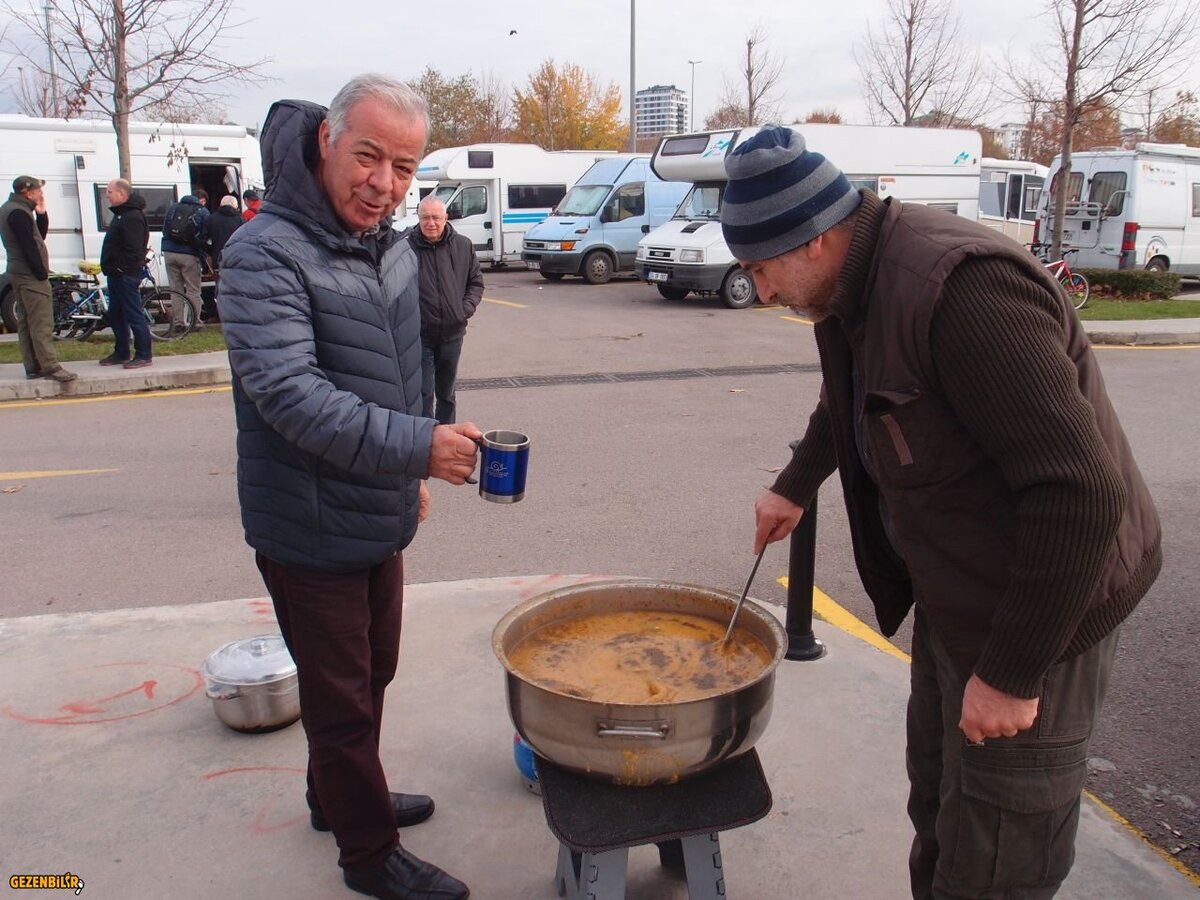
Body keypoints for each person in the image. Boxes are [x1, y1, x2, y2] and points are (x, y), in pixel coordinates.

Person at [721, 126, 1162, 900]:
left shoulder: (961, 293)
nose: (761, 292)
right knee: (939, 799)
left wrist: (1011, 672)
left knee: (998, 851)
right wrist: (795, 483)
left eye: (763, 269)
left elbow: (1081, 490)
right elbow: (852, 395)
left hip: (1046, 606)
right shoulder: (850, 287)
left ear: (816, 238)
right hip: (958, 592)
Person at [218, 74, 478, 900]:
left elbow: (406, 374)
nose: (384, 184)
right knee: (340, 702)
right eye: (369, 157)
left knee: (372, 675)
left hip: (374, 507)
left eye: (404, 168)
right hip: (307, 522)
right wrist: (418, 449)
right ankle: (369, 856)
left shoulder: (389, 243)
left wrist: (411, 465)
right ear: (327, 140)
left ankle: (335, 793)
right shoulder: (263, 252)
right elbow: (292, 396)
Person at [408, 195, 484, 481]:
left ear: (445, 218)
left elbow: (476, 283)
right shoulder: (405, 247)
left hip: (452, 333)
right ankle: (425, 451)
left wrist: (463, 311)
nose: (431, 223)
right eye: (425, 218)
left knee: (447, 393)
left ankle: (449, 445)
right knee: (424, 393)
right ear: (418, 218)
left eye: (436, 218)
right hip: (421, 334)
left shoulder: (462, 245)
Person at [0, 175, 76, 382]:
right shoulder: (18, 213)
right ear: (27, 192)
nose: (41, 193)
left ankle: (34, 366)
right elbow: (29, 246)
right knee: (41, 322)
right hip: (29, 275)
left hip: (20, 272)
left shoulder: (15, 209)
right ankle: (50, 366)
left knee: (26, 322)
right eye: (38, 190)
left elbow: (37, 237)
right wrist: (41, 273)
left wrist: (41, 214)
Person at [98, 178, 151, 368]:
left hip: (126, 275)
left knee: (133, 313)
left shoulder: (132, 216)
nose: (107, 196)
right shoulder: (120, 214)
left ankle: (144, 353)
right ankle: (121, 352)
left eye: (109, 192)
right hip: (115, 274)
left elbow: (134, 249)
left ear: (121, 194)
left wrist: (122, 268)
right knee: (116, 314)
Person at [161, 187, 209, 333]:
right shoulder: (202, 211)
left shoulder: (173, 208)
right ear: (202, 200)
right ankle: (195, 322)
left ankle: (178, 323)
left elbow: (165, 230)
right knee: (193, 290)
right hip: (189, 254)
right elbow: (205, 235)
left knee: (176, 289)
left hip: (169, 252)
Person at [203, 194, 244, 322]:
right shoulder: (241, 220)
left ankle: (222, 315)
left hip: (218, 260)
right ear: (235, 206)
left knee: (220, 290)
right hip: (237, 260)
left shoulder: (211, 219)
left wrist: (210, 252)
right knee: (237, 289)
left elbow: (204, 240)